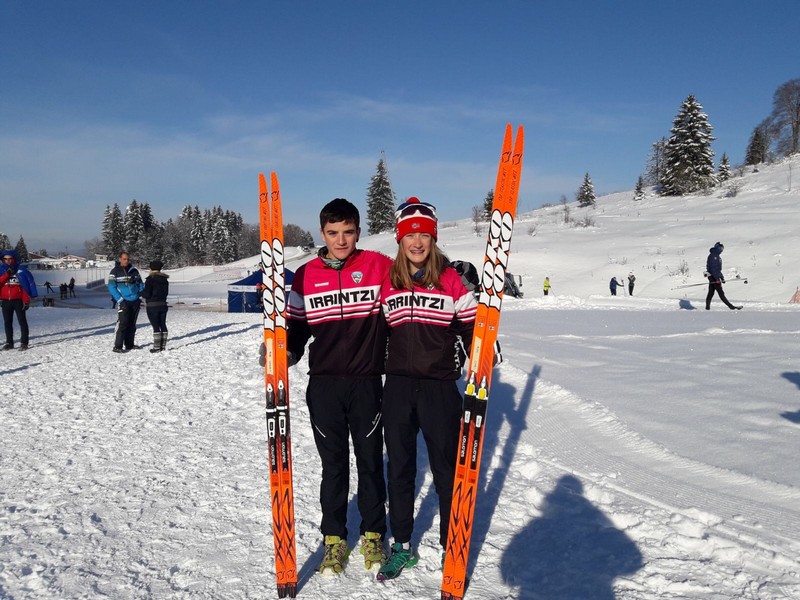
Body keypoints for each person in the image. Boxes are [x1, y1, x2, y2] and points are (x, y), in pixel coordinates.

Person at [286, 198, 391, 574]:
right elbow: (297, 327)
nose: (341, 240)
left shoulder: (378, 266)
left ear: (358, 232)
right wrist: (287, 352)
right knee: (333, 466)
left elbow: (416, 280)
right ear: (322, 233)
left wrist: (454, 276)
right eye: (333, 233)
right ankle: (334, 538)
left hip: (366, 383)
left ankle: (374, 534)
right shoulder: (305, 275)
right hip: (324, 386)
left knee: (370, 463)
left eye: (348, 232)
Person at [377, 197, 477, 580]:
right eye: (409, 235)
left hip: (440, 388)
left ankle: (453, 547)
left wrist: (483, 350)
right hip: (398, 388)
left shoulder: (451, 279)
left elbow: (472, 326)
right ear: (400, 239)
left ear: (433, 238)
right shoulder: (388, 282)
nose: (416, 242)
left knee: (447, 471)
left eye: (423, 235)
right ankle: (402, 546)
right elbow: (374, 332)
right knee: (400, 470)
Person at [0, 250, 38, 350]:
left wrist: (26, 300)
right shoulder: (1, 270)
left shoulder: (20, 270)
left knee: (22, 321)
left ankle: (24, 342)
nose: (8, 261)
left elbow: (26, 286)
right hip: (5, 301)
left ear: (14, 259)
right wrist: (6, 274)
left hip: (18, 301)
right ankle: (9, 343)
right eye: (5, 259)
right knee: (7, 322)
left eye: (10, 259)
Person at [107, 251, 144, 352]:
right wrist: (120, 300)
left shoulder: (134, 271)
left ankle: (129, 344)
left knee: (132, 324)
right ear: (120, 259)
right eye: (124, 259)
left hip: (135, 300)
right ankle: (118, 346)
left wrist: (140, 296)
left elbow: (140, 284)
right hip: (124, 301)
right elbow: (111, 287)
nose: (126, 261)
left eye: (128, 259)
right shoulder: (115, 271)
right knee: (123, 323)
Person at [142, 259, 169, 353]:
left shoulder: (150, 279)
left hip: (152, 306)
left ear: (151, 268)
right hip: (163, 305)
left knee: (156, 326)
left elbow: (147, 294)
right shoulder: (165, 280)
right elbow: (166, 293)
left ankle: (157, 347)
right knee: (163, 324)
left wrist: (140, 292)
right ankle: (163, 346)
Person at [705, 242, 742, 310]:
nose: (722, 250)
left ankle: (707, 308)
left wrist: (722, 277)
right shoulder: (713, 256)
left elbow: (718, 270)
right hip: (713, 277)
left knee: (711, 293)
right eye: (721, 248)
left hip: (713, 276)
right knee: (721, 293)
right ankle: (731, 307)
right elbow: (713, 269)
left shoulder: (717, 256)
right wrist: (717, 279)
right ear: (718, 248)